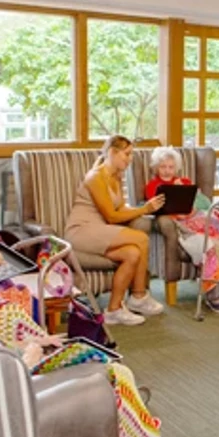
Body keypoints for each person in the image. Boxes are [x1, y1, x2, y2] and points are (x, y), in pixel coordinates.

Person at [0, 239, 165, 437]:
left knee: (88, 354)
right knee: (115, 372)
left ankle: (134, 425)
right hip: (21, 387)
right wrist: (28, 359)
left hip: (15, 368)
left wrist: (27, 344)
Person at [64, 135, 165, 326]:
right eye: (126, 154)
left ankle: (113, 310)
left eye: (131, 155)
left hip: (99, 230)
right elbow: (111, 216)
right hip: (81, 230)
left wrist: (143, 209)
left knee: (132, 253)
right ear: (112, 152)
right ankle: (138, 296)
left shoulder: (116, 176)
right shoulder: (95, 177)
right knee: (141, 239)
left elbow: (120, 209)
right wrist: (145, 210)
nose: (130, 159)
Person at [145, 146, 219, 314]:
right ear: (157, 167)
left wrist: (191, 201)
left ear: (176, 168)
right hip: (183, 227)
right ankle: (213, 294)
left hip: (202, 218)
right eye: (163, 167)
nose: (167, 171)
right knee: (208, 245)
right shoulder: (153, 186)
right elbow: (156, 209)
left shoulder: (186, 182)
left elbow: (205, 204)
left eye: (171, 167)